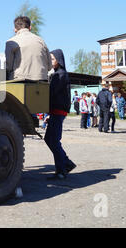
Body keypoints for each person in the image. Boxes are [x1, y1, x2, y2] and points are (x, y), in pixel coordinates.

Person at [44, 49, 76, 180]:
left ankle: (61, 170)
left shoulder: (60, 74)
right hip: (55, 111)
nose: (51, 61)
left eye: (52, 59)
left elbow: (51, 93)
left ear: (59, 60)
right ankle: (66, 163)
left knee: (54, 140)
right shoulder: (57, 74)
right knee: (49, 139)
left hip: (58, 110)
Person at [5, 16, 52, 81]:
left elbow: (8, 67)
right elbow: (49, 66)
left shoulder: (11, 42)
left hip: (20, 81)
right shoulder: (41, 41)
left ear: (15, 29)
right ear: (30, 28)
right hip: (42, 81)